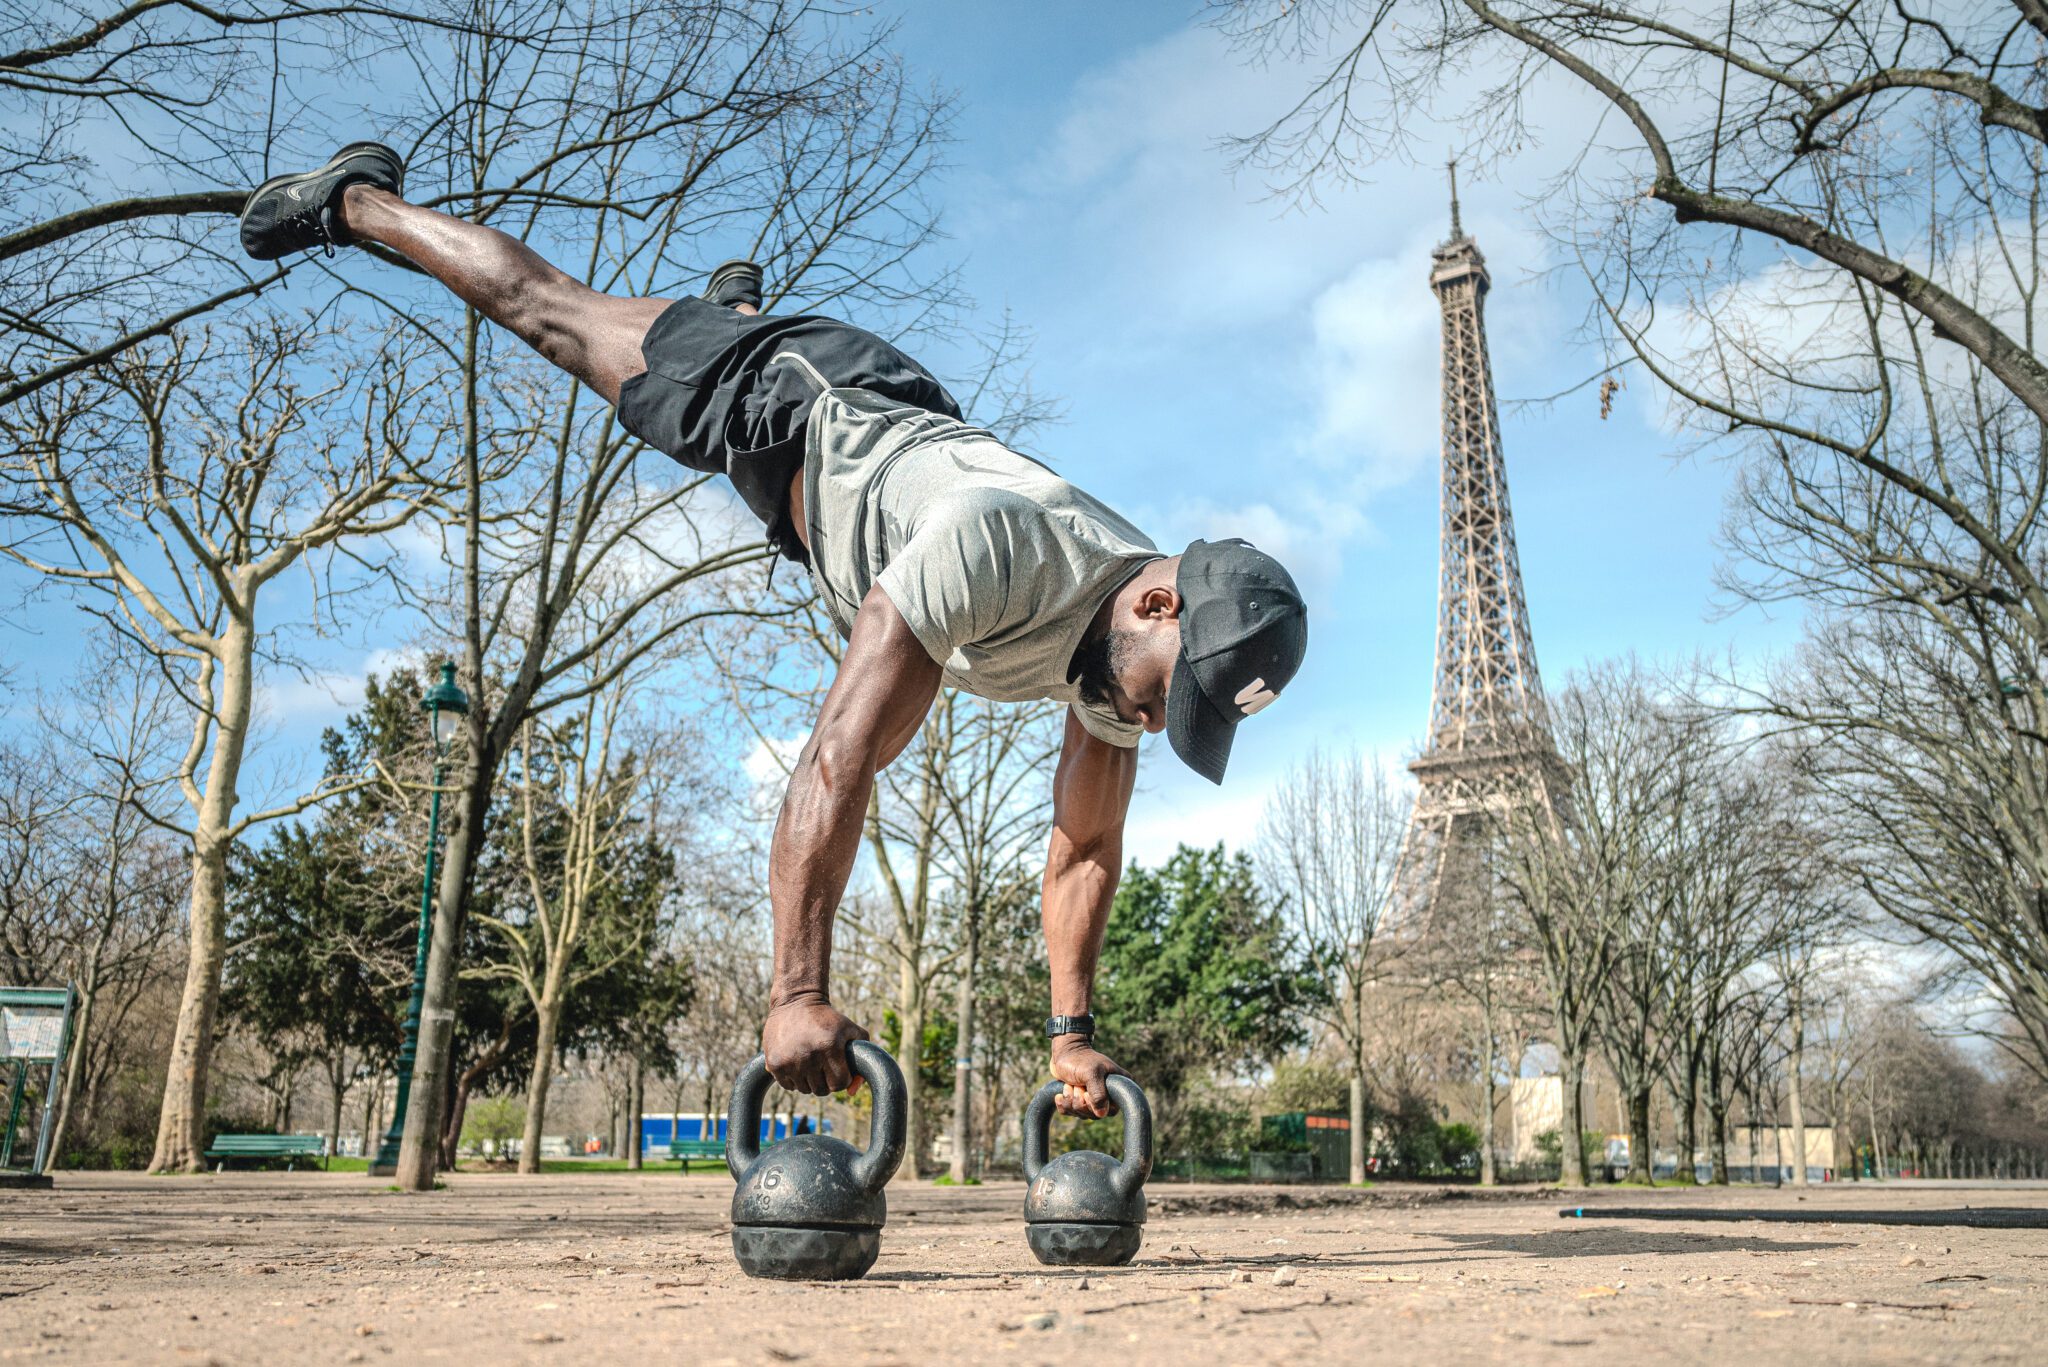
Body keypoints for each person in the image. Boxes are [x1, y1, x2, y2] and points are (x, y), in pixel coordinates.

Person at [239, 143, 1308, 1119]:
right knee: (548, 312)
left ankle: (730, 306)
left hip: (878, 467)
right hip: (800, 400)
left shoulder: (1119, 668)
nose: (1159, 718)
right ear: (1155, 603)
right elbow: (836, 752)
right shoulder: (995, 545)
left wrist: (1070, 1038)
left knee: (858, 597)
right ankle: (357, 200)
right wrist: (796, 992)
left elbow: (1082, 851)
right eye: (1176, 692)